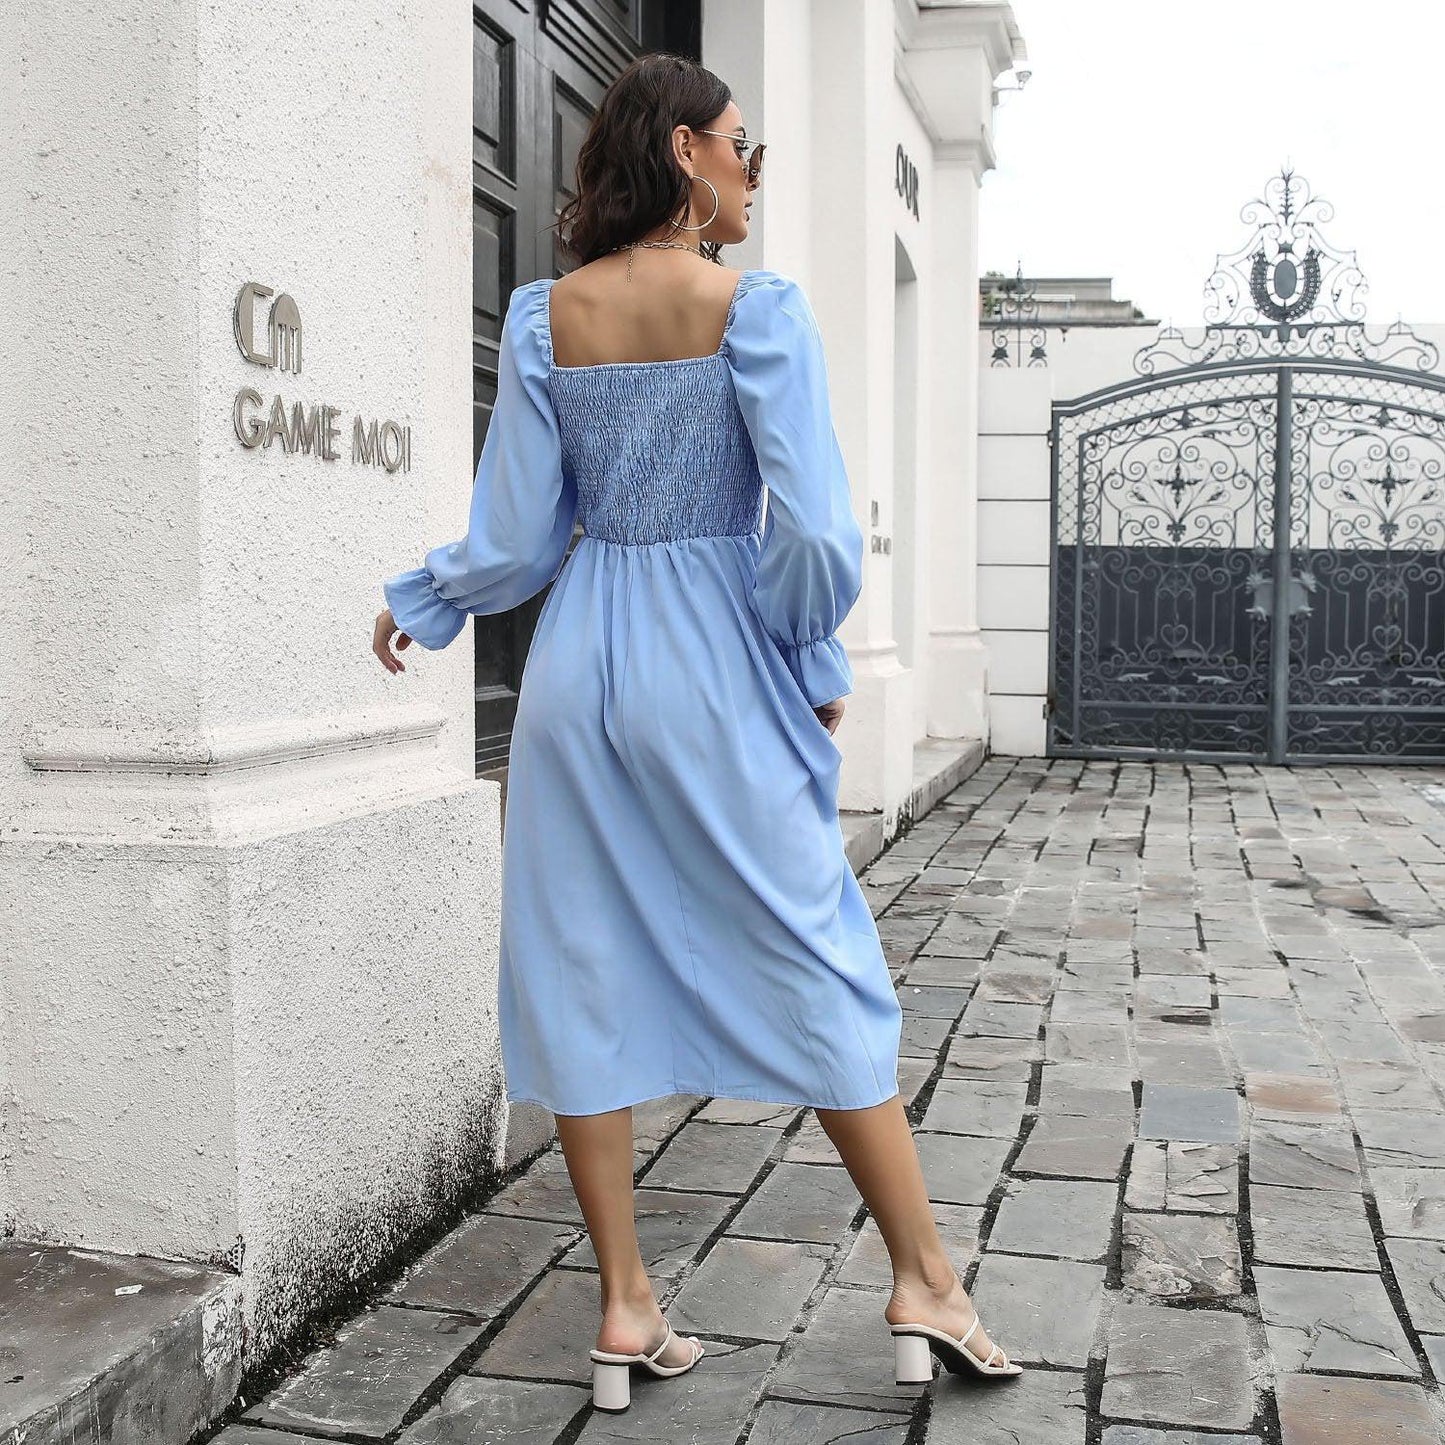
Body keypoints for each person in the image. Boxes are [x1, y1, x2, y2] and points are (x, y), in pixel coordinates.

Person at [372, 51, 1019, 1413]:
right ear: (682, 152)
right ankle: (925, 1279)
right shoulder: (753, 307)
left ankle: (622, 1302)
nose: (749, 172)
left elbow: (514, 537)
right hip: (714, 655)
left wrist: (431, 599)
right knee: (818, 951)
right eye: (740, 145)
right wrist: (799, 649)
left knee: (577, 958)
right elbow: (817, 535)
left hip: (578, 663)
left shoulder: (547, 318)